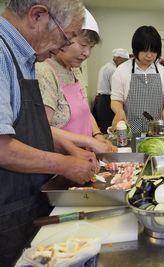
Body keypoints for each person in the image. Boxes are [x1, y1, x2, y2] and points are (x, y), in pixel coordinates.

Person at [0, 1, 97, 265]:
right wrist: (64, 163)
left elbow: (27, 129)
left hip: (26, 206)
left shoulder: (23, 57)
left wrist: (71, 149)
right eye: (65, 38)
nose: (62, 48)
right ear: (38, 15)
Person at [36, 9, 116, 153]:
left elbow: (85, 109)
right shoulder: (44, 70)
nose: (87, 53)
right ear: (63, 37)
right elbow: (43, 129)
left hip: (84, 157)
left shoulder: (74, 69)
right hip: (61, 162)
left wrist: (97, 135)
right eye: (83, 45)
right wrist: (88, 141)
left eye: (91, 47)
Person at [111, 26, 164, 135]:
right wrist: (119, 111)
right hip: (130, 129)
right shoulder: (122, 71)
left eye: (153, 51)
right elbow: (116, 100)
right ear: (136, 49)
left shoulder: (163, 72)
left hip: (156, 131)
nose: (149, 55)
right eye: (145, 51)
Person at [93, 48, 130, 133]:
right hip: (107, 101)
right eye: (124, 61)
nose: (124, 64)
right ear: (118, 58)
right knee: (110, 126)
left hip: (101, 99)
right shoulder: (113, 69)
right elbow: (115, 89)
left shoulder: (106, 66)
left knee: (104, 126)